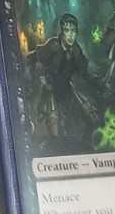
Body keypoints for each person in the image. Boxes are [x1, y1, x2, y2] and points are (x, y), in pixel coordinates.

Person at [25, 14, 96, 152]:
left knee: (89, 118)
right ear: (62, 32)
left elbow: (84, 71)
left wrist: (96, 82)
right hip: (50, 89)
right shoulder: (53, 46)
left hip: (67, 89)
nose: (70, 35)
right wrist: (30, 78)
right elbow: (32, 58)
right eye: (67, 30)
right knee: (54, 127)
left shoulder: (76, 50)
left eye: (73, 31)